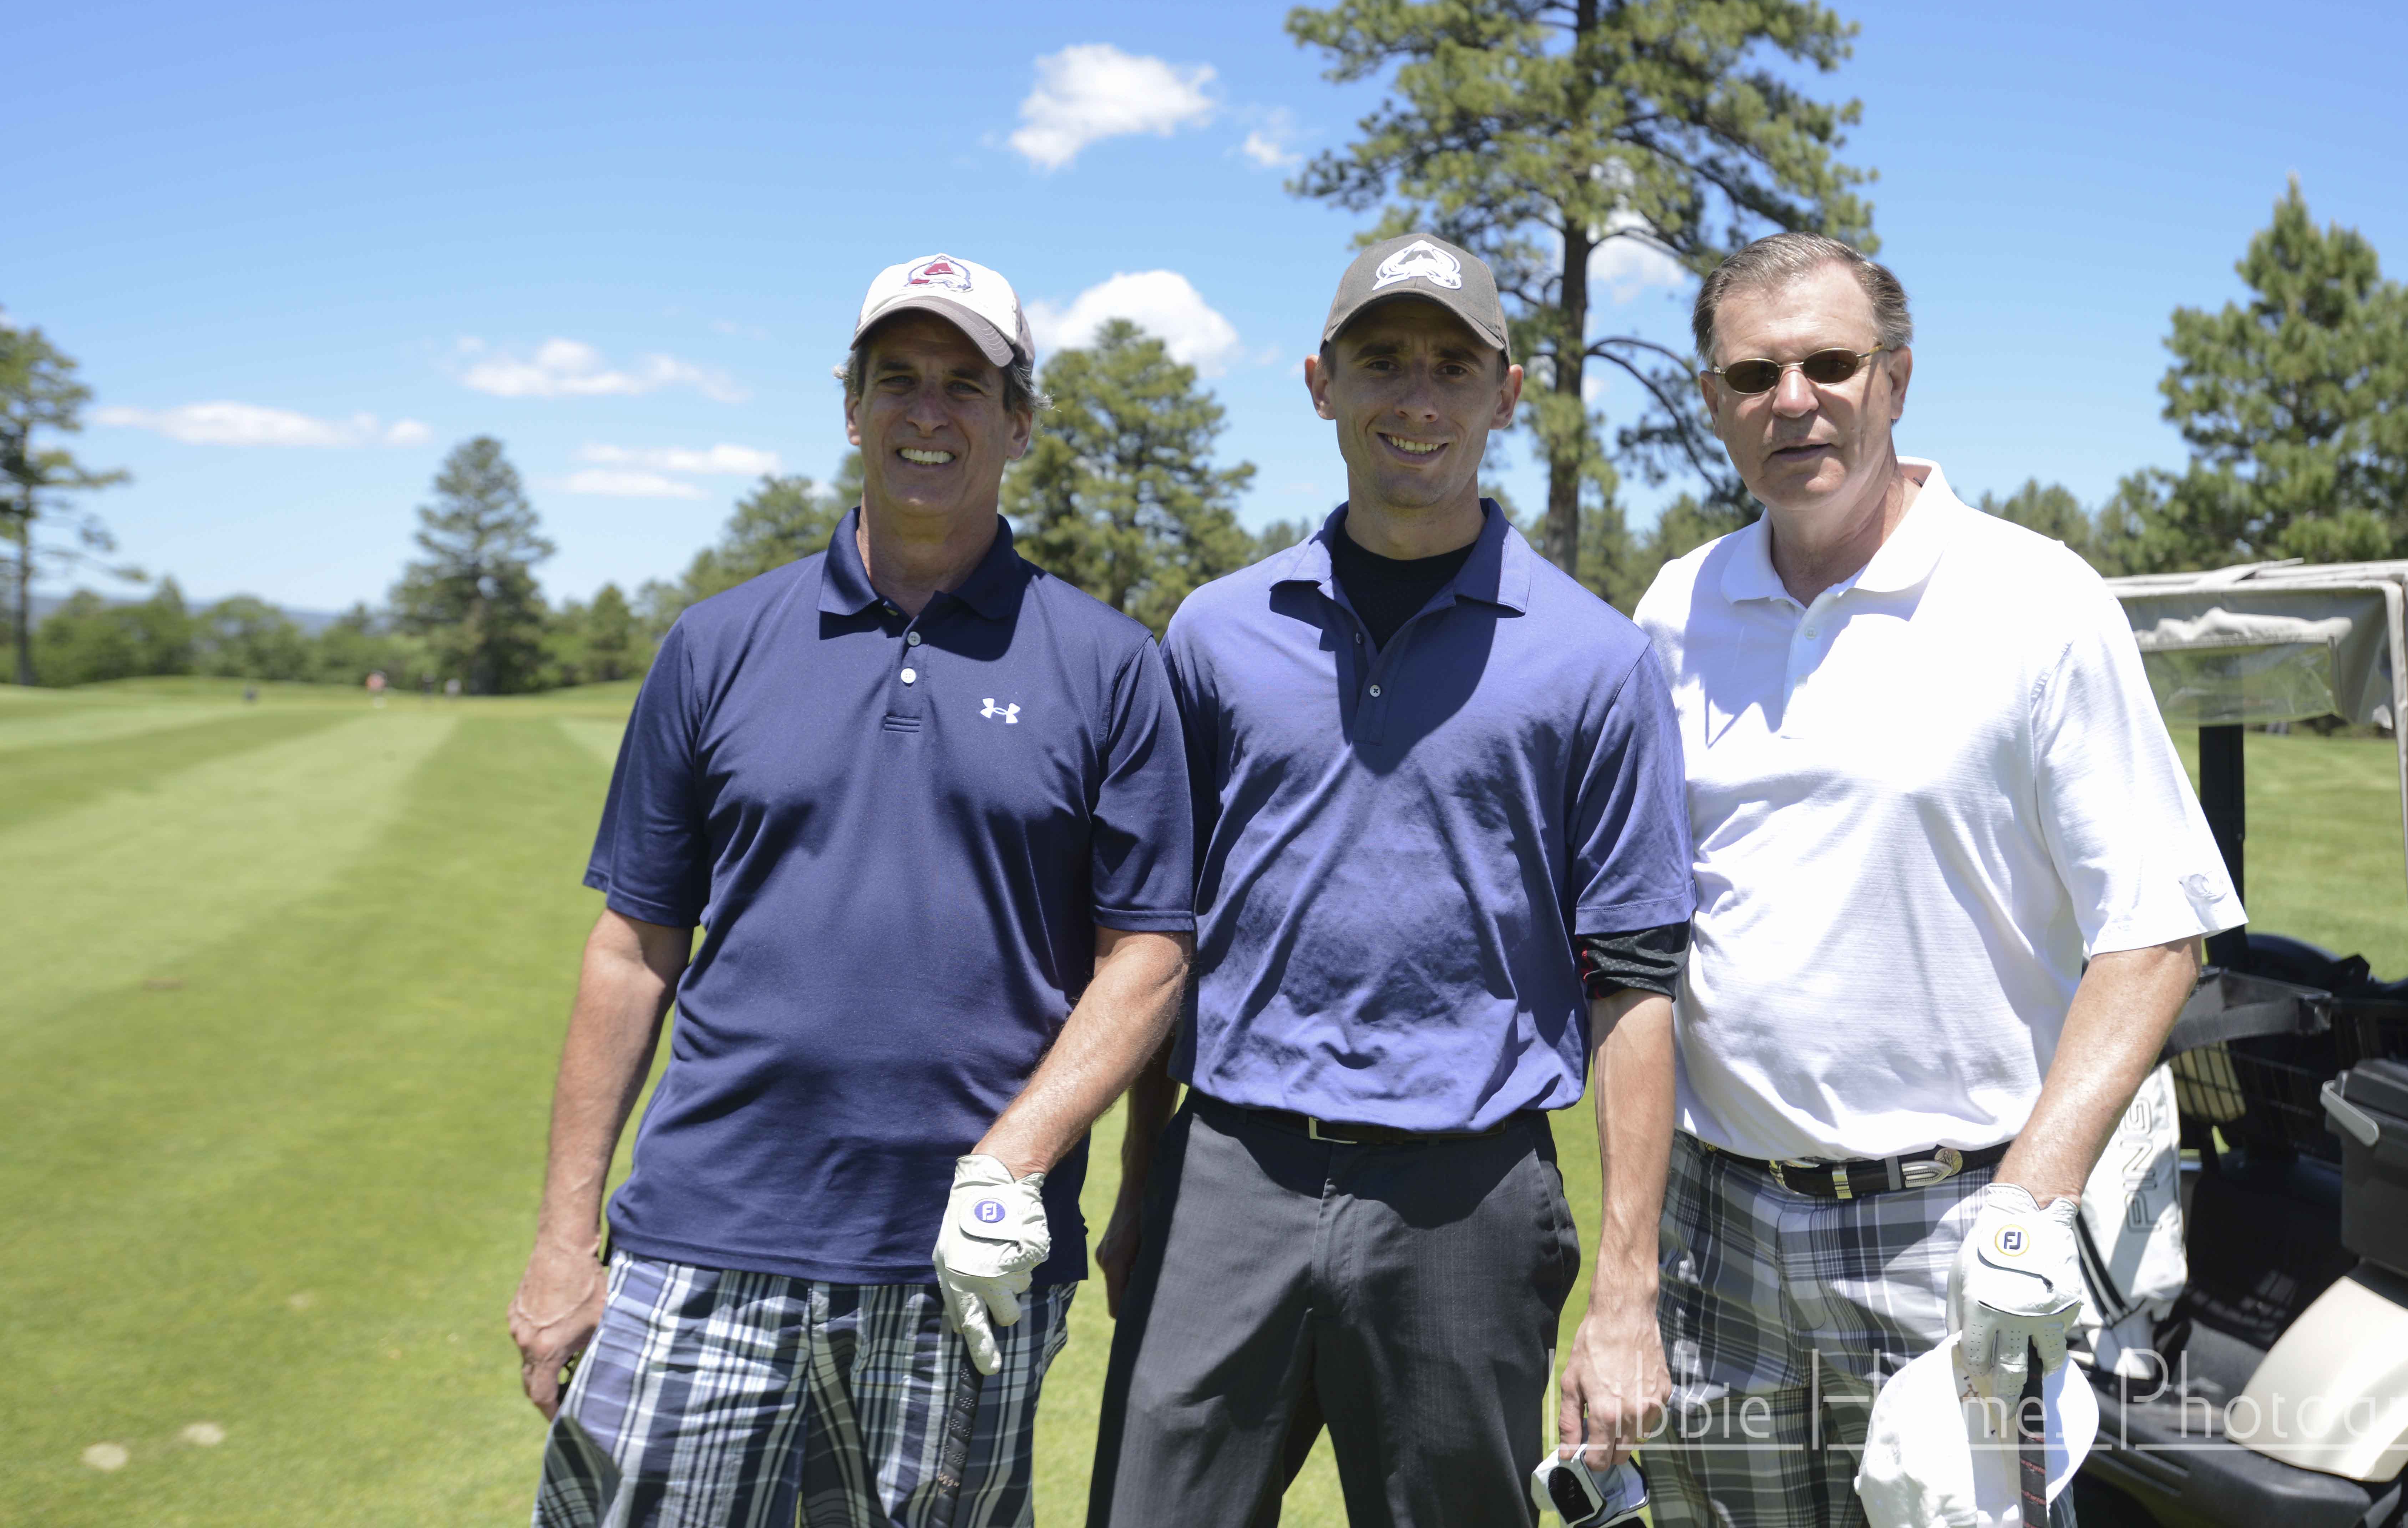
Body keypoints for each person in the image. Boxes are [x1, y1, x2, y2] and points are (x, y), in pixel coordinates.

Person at [507, 252, 1197, 1527]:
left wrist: (1012, 1165)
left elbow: (1148, 955)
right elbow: (632, 949)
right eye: (898, 380)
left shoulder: (1110, 665)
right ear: (851, 407)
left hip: (969, 1262)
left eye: (965, 386)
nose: (928, 413)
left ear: (1019, 422)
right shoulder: (717, 644)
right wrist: (563, 1238)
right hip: (705, 1238)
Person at [1631, 233, 2244, 1527]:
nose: (1793, 400)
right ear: (1714, 402)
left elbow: (2154, 930)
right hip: (1718, 1225)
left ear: (1896, 379)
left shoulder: (2036, 599)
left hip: (1957, 1228)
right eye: (1753, 375)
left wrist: (2032, 1196)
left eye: (1830, 364)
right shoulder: (1675, 610)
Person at [1087, 233, 1697, 1528]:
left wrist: (1628, 1286)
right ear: (1322, 383)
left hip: (1467, 1202)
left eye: (1452, 366)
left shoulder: (1596, 661)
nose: (1417, 397)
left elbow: (1638, 986)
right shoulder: (1214, 635)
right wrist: (1142, 1182)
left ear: (1507, 394)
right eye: (1382, 361)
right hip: (1229, 1176)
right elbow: (1160, 938)